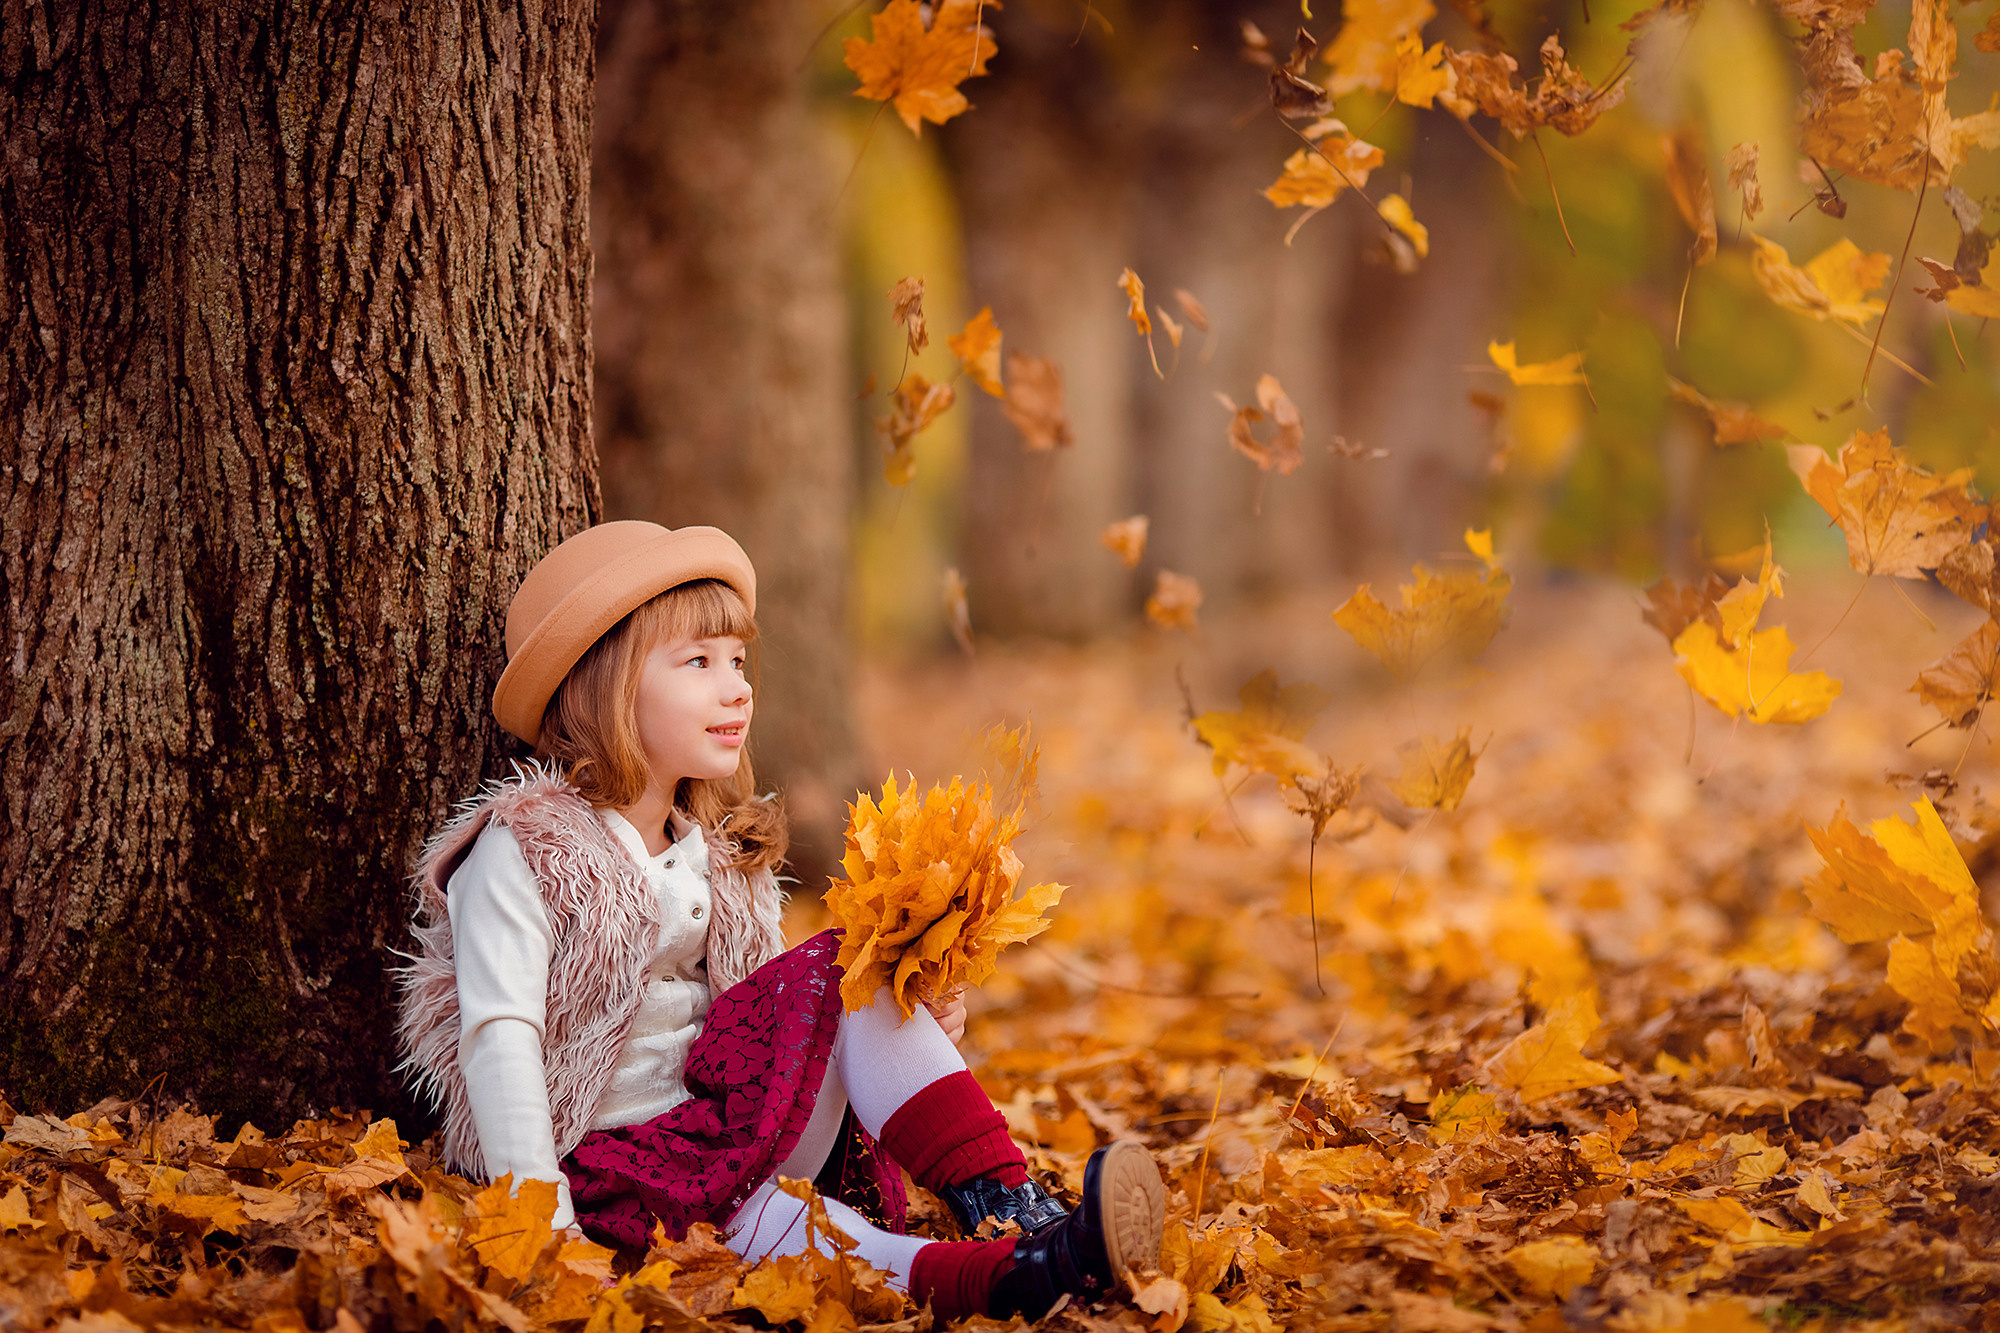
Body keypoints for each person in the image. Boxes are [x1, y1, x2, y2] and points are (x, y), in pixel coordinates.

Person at [394, 521, 1165, 1321]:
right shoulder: (529, 852)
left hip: (724, 1130)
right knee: (798, 1232)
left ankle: (1011, 1208)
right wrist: (541, 1227)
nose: (737, 687)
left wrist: (915, 1018)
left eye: (736, 660)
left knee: (854, 971)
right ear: (606, 686)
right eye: (698, 662)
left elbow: (774, 1014)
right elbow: (501, 1039)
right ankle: (1012, 1277)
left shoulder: (716, 856)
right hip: (610, 1173)